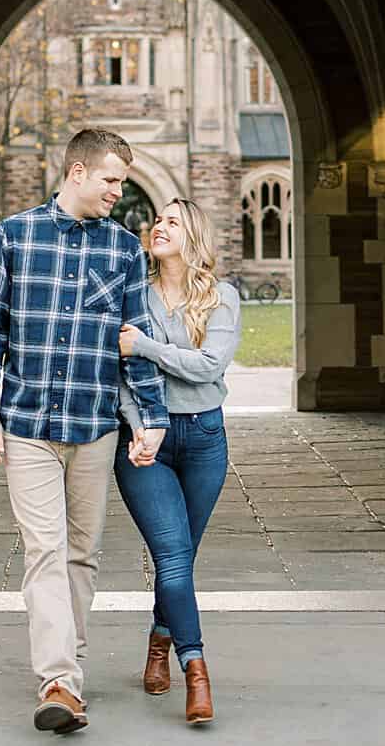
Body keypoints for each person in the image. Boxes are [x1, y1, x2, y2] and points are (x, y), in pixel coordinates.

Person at [0, 128, 170, 735]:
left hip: (94, 425)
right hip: (27, 423)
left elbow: (135, 345)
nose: (118, 191)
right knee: (46, 550)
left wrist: (151, 418)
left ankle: (68, 672)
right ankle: (57, 679)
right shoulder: (13, 237)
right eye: (110, 180)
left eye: (123, 182)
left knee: (82, 554)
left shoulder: (125, 251)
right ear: (76, 172)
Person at [115, 197, 240, 726]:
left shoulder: (222, 297)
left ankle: (159, 639)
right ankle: (196, 669)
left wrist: (146, 346)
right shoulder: (131, 295)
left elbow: (210, 366)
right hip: (148, 445)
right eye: (156, 221)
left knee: (181, 560)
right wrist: (138, 426)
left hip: (205, 439)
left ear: (192, 237)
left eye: (171, 222)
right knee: (171, 556)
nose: (157, 227)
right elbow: (115, 372)